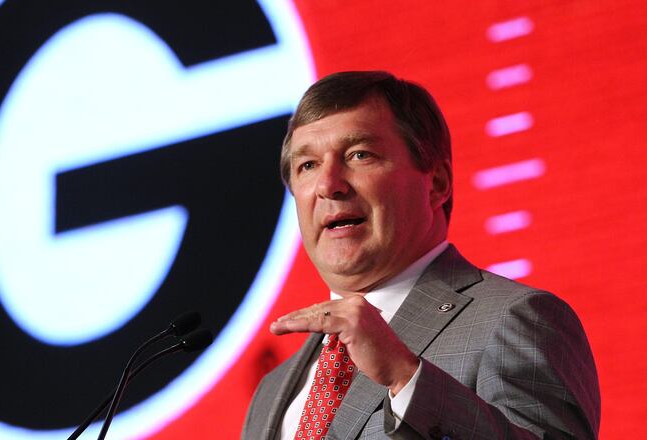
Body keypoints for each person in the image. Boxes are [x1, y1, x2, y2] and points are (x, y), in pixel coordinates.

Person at [242, 71, 600, 439]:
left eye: (359, 154)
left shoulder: (516, 319)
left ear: (437, 183)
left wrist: (405, 377)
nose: (328, 184)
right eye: (308, 165)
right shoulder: (274, 390)